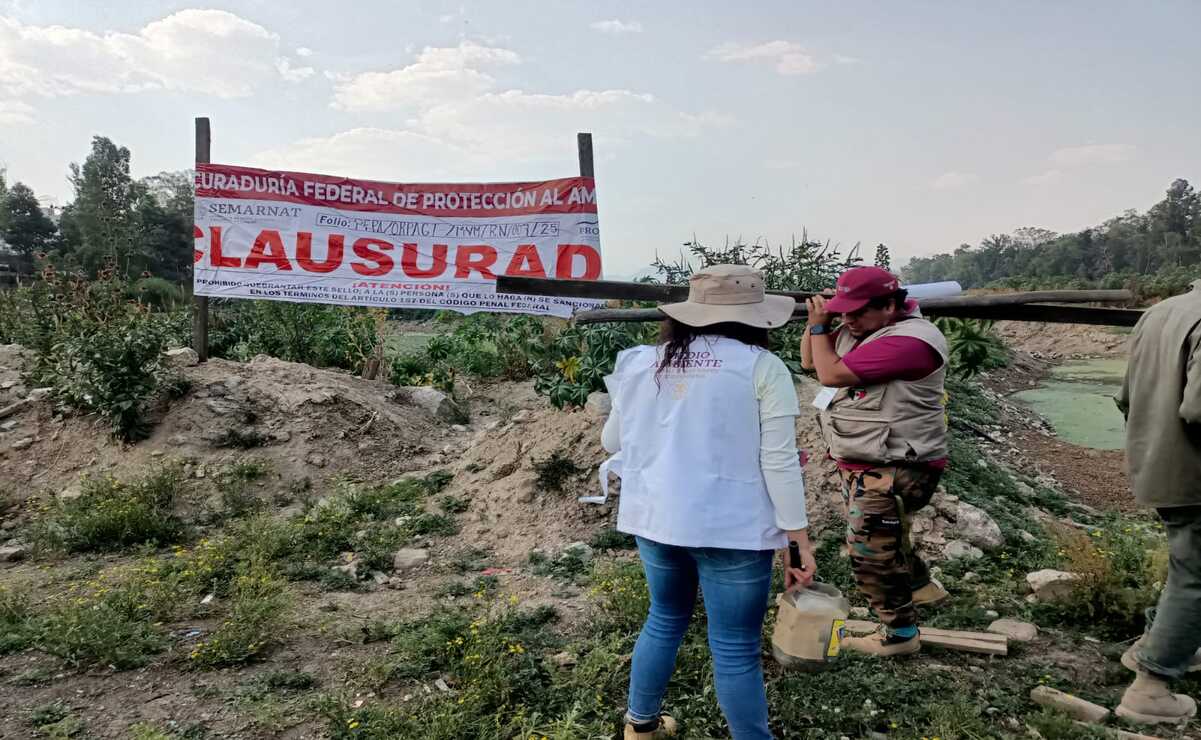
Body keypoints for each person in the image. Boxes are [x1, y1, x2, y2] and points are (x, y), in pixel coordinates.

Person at [601, 264, 815, 740]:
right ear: (756, 318)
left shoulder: (640, 362)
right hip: (733, 529)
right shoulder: (762, 368)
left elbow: (611, 439)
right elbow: (778, 462)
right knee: (735, 647)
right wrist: (797, 540)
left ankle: (641, 725)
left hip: (657, 521)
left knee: (664, 618)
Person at [800, 266, 948, 657]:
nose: (849, 320)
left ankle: (900, 636)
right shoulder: (860, 329)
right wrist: (823, 321)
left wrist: (821, 327)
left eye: (857, 311)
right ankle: (921, 587)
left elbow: (829, 373)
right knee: (886, 534)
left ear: (889, 305)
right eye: (843, 312)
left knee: (869, 549)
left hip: (899, 466)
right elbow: (810, 362)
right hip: (867, 460)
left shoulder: (911, 342)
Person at [1113, 279, 1201, 725]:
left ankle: (1172, 642)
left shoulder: (1162, 311)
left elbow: (1126, 396)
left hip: (1156, 466)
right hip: (1195, 474)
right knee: (1196, 576)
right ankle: (1150, 688)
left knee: (1187, 566)